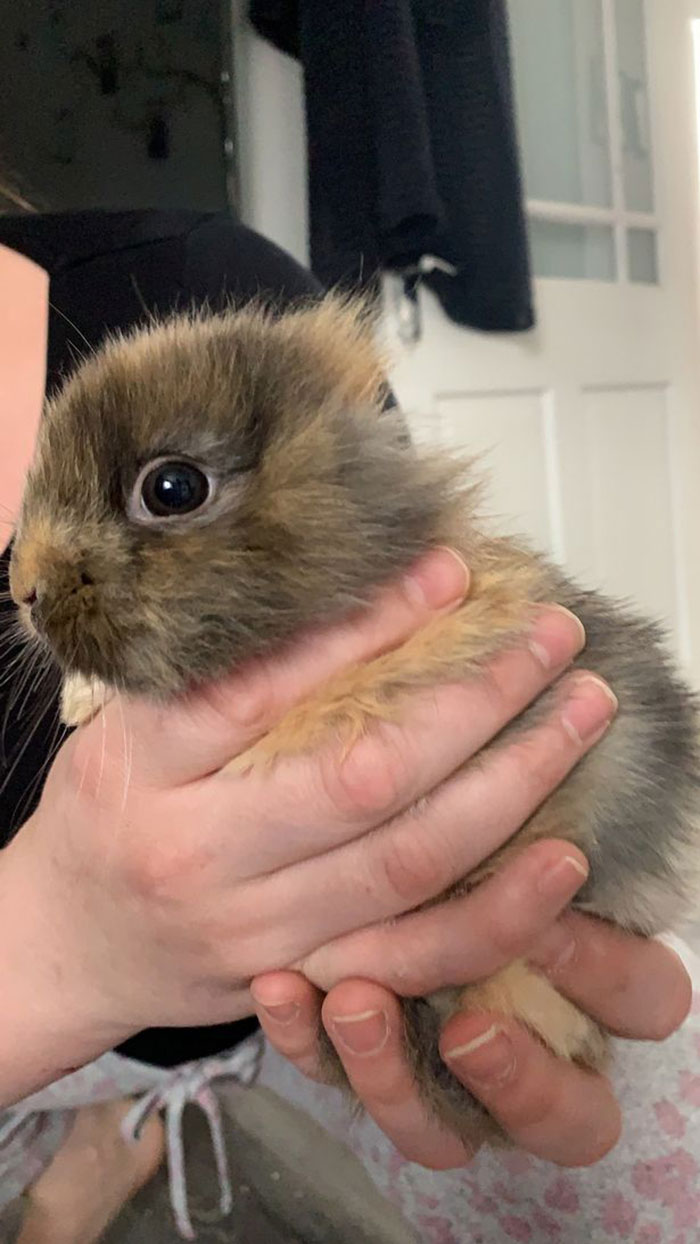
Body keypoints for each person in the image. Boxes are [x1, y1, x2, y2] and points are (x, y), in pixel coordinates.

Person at [0, 211, 694, 1242]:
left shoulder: (204, 284)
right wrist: (60, 946)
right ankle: (90, 1156)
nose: (30, 582)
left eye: (170, 492)